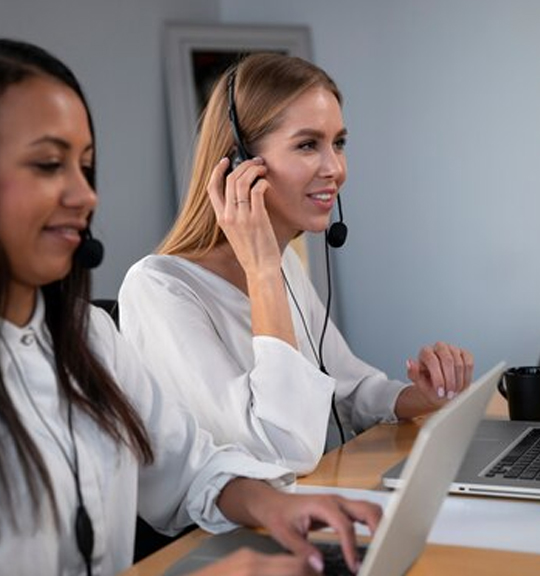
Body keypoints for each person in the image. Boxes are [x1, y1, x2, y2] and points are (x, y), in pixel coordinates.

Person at [0, 39, 382, 576]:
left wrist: (279, 507)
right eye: (47, 164)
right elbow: (283, 445)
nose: (86, 195)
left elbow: (190, 466)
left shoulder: (86, 337)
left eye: (86, 167)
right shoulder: (162, 287)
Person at [119, 53, 474, 474]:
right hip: (222, 533)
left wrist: (424, 396)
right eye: (308, 145)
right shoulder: (160, 289)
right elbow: (282, 451)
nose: (335, 169)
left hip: (301, 509)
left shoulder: (283, 262)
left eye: (338, 143)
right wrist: (263, 272)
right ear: (239, 165)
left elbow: (347, 387)